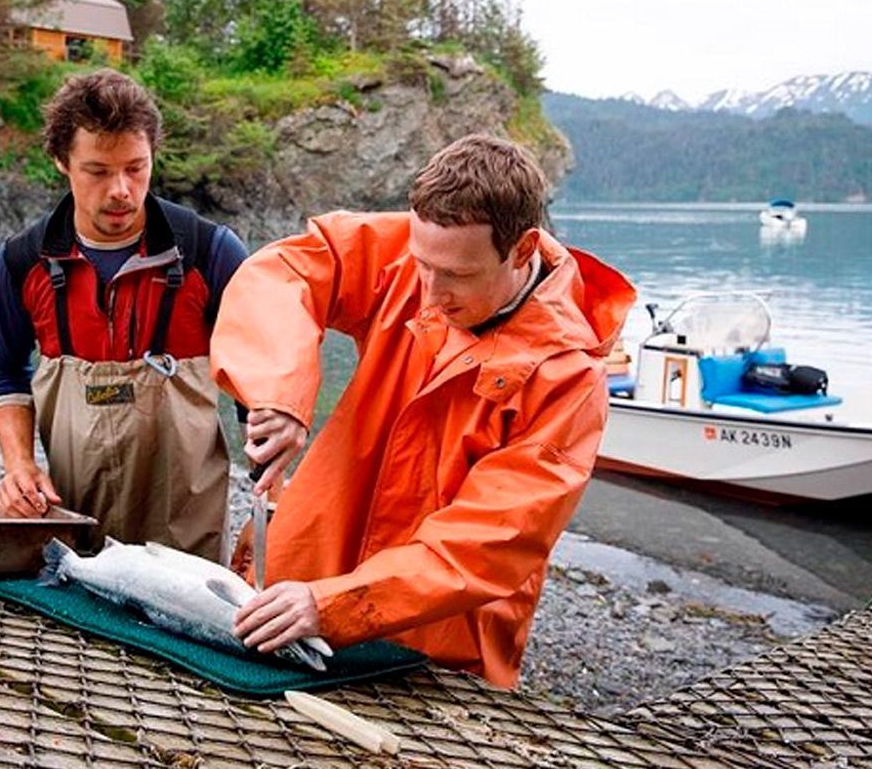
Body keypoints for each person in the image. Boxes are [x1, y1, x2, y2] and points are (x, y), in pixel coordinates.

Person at [212, 134, 636, 688]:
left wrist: (337, 603)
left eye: (457, 276)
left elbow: (488, 544)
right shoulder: (413, 254)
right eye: (422, 266)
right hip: (304, 590)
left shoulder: (569, 381)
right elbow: (280, 274)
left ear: (524, 249)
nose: (430, 293)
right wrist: (277, 394)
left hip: (437, 647)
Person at [0, 69, 248, 561]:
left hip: (188, 539)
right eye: (98, 171)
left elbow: (259, 383)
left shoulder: (211, 253)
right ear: (61, 162)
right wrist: (18, 465)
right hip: (74, 523)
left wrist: (267, 498)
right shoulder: (22, 262)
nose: (122, 190)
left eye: (136, 167)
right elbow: (3, 368)